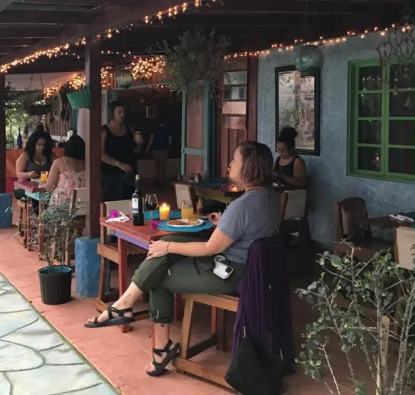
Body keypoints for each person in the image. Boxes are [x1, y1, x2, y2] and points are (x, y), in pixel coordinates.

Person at [85, 141, 280, 377]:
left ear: (249, 165)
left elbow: (209, 248)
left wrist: (167, 247)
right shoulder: (270, 197)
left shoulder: (242, 206)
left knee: (159, 273)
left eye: (235, 160)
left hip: (228, 273)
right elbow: (248, 230)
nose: (230, 164)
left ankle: (157, 344)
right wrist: (221, 223)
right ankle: (125, 305)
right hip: (250, 270)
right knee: (170, 240)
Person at [101, 100, 143, 201]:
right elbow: (101, 154)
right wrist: (119, 164)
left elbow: (136, 151)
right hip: (111, 175)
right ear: (112, 113)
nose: (122, 114)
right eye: (119, 112)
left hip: (129, 173)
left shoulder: (129, 129)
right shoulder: (103, 130)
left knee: (131, 202)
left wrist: (140, 144)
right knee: (113, 204)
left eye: (123, 112)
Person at [43, 135, 87, 205]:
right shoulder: (87, 164)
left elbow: (49, 187)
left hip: (61, 204)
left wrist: (42, 184)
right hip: (82, 204)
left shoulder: (59, 162)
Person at [146, 116, 172, 187]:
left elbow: (151, 140)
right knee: (162, 167)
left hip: (155, 150)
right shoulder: (167, 130)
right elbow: (170, 140)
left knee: (157, 166)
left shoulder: (155, 129)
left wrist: (147, 148)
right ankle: (161, 182)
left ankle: (156, 180)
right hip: (164, 150)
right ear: (165, 122)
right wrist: (170, 147)